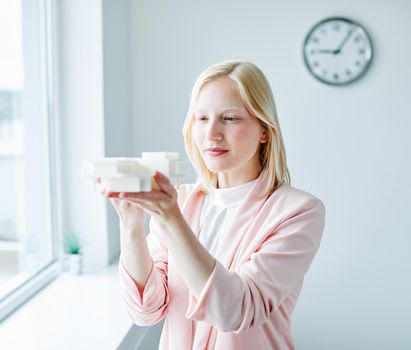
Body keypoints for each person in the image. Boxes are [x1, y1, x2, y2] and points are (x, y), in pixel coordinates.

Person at [102, 60, 325, 350]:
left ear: (264, 131)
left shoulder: (299, 212)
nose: (212, 134)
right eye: (202, 118)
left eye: (230, 118)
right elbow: (146, 311)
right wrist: (131, 227)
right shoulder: (179, 202)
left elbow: (236, 311)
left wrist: (171, 220)